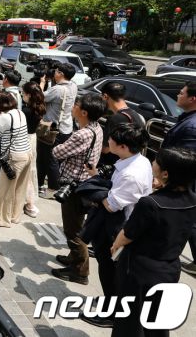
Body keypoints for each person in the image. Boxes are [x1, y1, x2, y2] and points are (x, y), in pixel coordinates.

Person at [110, 147, 196, 337]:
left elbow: (128, 234)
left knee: (129, 322)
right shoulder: (192, 200)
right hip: (169, 268)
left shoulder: (150, 203)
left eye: (157, 161)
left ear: (165, 173)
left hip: (140, 269)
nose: (153, 163)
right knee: (157, 321)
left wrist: (116, 245)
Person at [80, 124, 152, 328]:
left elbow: (111, 205)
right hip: (118, 225)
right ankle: (110, 301)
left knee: (110, 271)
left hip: (119, 230)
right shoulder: (138, 160)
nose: (107, 142)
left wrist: (95, 189)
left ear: (123, 146)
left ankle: (113, 314)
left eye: (111, 140)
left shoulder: (132, 174)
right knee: (110, 271)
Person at [51, 93, 105, 285]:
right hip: (85, 183)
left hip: (74, 186)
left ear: (84, 112)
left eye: (76, 105)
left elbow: (57, 152)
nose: (73, 107)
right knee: (78, 224)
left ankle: (80, 271)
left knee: (73, 231)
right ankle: (73, 258)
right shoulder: (97, 128)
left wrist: (58, 142)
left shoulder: (82, 135)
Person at [159, 82, 196, 275]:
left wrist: (165, 177)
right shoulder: (188, 119)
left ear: (192, 99)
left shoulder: (191, 126)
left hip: (183, 182)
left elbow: (184, 160)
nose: (178, 95)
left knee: (188, 220)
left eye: (181, 93)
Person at [0, 91, 32, 227]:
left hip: (14, 158)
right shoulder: (19, 112)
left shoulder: (5, 118)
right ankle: (15, 216)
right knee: (20, 189)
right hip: (27, 154)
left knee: (5, 190)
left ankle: (3, 220)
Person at [38, 62, 79, 194]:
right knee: (53, 158)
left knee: (50, 159)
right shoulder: (73, 86)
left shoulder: (57, 89)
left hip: (53, 130)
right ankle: (42, 182)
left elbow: (39, 97)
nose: (54, 73)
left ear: (61, 74)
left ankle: (52, 189)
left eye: (56, 71)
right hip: (66, 127)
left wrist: (42, 83)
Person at [99, 82, 146, 166]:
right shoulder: (136, 115)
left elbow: (105, 149)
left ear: (105, 96)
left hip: (114, 164)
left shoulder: (115, 118)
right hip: (131, 162)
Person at [21, 82, 46, 217]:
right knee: (30, 171)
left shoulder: (25, 111)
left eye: (23, 93)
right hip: (32, 139)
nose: (22, 95)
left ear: (29, 95)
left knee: (22, 172)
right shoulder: (39, 108)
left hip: (24, 139)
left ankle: (27, 203)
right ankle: (29, 202)